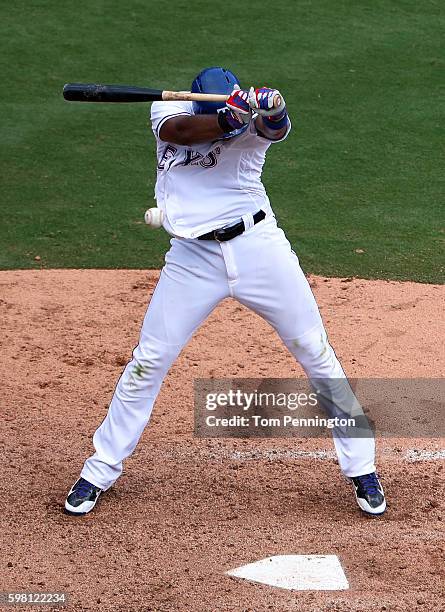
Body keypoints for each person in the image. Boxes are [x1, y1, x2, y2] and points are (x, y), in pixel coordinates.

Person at [65, 67, 386, 517]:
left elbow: (276, 128)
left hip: (258, 249)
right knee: (149, 360)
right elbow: (183, 131)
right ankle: (98, 471)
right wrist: (225, 120)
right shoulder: (170, 110)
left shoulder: (250, 121)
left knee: (315, 350)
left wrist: (273, 108)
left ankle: (362, 469)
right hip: (192, 259)